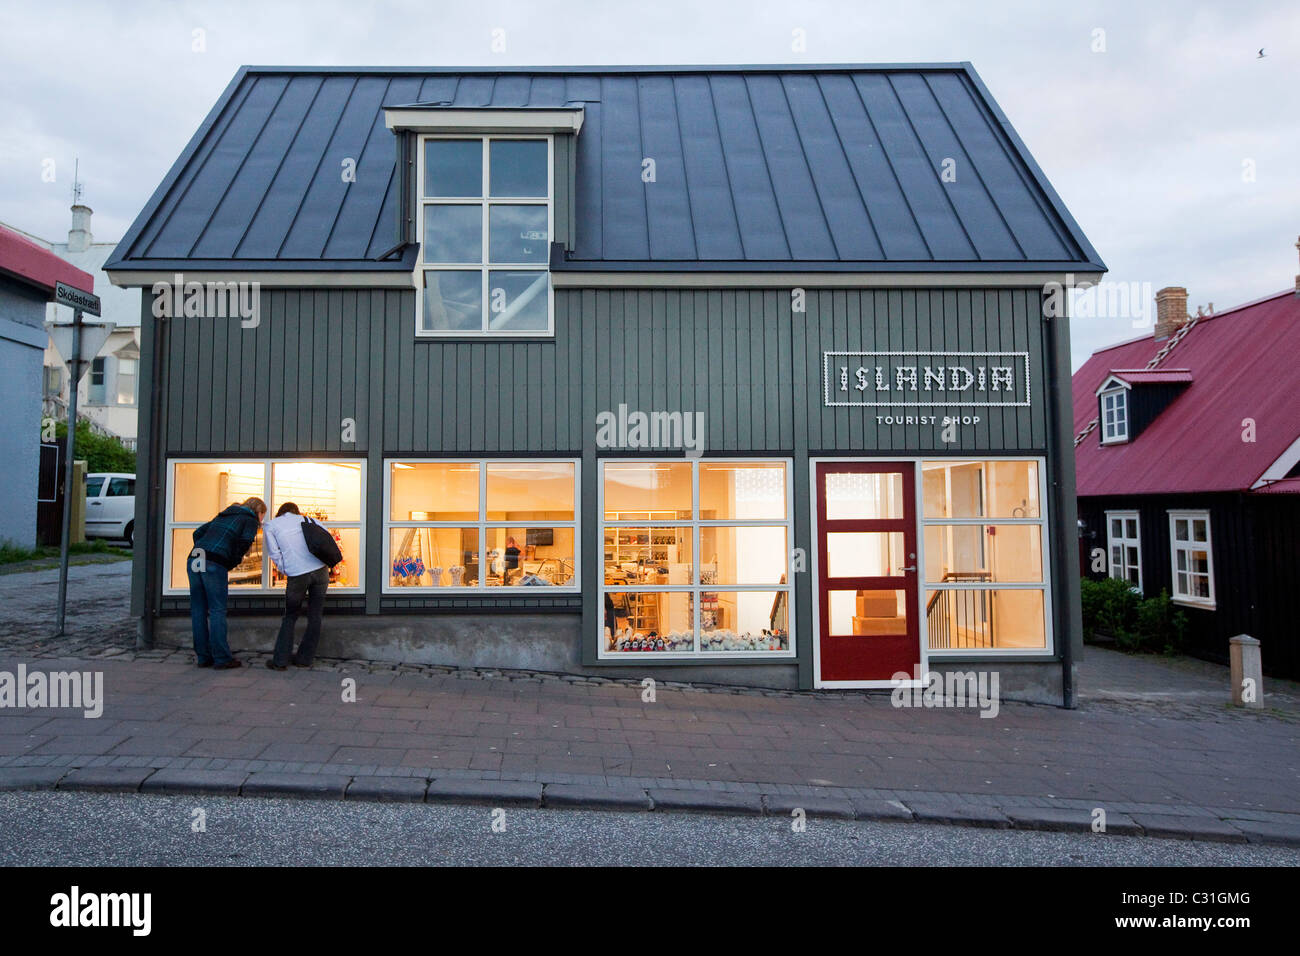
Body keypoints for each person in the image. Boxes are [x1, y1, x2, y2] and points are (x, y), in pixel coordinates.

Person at [189, 496, 266, 670]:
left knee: (198, 609)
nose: (262, 520)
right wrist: (229, 562)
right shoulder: (250, 520)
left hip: (195, 558)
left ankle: (203, 657)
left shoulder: (224, 514)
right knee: (217, 609)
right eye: (263, 515)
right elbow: (243, 544)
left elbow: (197, 533)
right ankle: (222, 658)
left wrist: (204, 549)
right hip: (214, 562)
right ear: (258, 511)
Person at [262, 502, 331, 670]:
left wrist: (286, 569)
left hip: (297, 574)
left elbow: (274, 553)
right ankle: (305, 659)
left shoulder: (271, 524)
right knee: (315, 615)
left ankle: (280, 661)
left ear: (280, 513)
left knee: (290, 616)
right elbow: (326, 540)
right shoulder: (311, 521)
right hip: (321, 571)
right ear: (297, 512)